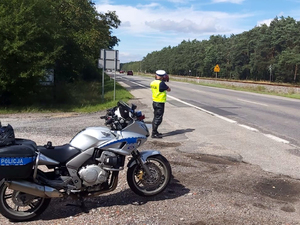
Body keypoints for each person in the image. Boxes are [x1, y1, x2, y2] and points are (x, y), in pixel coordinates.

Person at [150, 70, 171, 138]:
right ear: (162, 77)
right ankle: (154, 133)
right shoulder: (161, 83)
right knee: (158, 118)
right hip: (160, 102)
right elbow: (168, 89)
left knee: (155, 117)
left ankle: (155, 131)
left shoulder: (153, 82)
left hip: (155, 101)